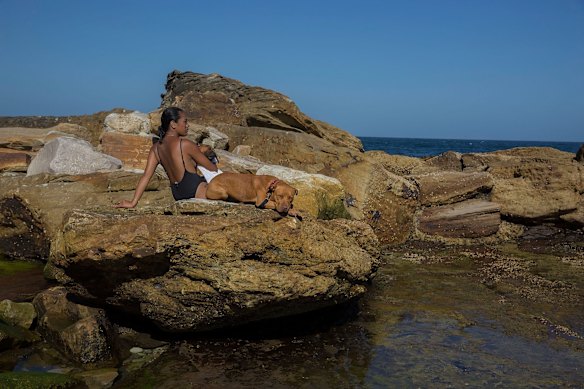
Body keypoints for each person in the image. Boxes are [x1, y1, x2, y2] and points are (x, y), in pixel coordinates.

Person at [114, 107, 218, 208]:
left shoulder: (155, 149)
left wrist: (133, 202)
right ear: (173, 124)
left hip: (178, 194)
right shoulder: (185, 144)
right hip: (196, 189)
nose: (188, 125)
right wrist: (204, 154)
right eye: (185, 122)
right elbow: (213, 169)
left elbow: (146, 176)